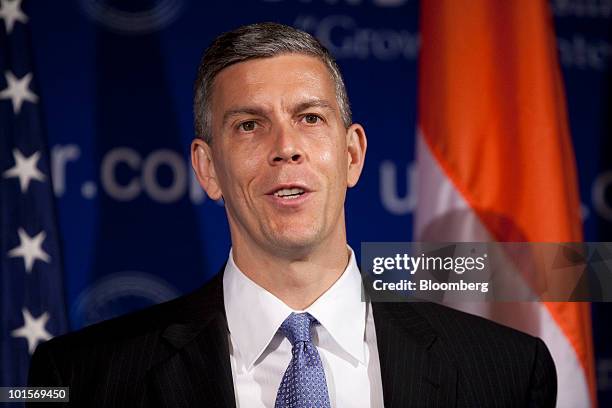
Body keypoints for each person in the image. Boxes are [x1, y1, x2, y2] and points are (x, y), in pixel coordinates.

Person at [29, 22, 557, 407]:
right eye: (249, 126)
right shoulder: (82, 378)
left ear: (351, 155)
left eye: (309, 117)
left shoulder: (506, 371)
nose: (287, 148)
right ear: (207, 168)